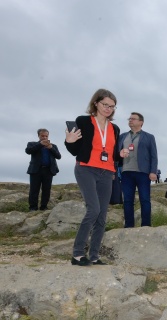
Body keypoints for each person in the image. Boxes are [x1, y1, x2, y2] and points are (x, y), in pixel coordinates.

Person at [64, 88, 121, 266]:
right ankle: (77, 254)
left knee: (102, 216)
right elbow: (75, 150)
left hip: (107, 172)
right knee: (93, 210)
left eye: (112, 106)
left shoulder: (115, 128)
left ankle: (94, 256)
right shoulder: (83, 121)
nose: (108, 109)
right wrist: (69, 141)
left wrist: (121, 154)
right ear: (95, 103)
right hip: (86, 169)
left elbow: (113, 155)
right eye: (105, 104)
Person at [118, 112, 158, 228]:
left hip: (143, 173)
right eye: (129, 119)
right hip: (126, 172)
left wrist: (153, 171)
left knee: (145, 200)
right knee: (127, 201)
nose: (130, 120)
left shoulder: (149, 137)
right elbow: (116, 153)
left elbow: (154, 156)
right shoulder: (122, 136)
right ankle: (129, 226)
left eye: (133, 119)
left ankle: (146, 225)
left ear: (141, 122)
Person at [26, 128, 61, 211]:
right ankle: (33, 208)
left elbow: (58, 156)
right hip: (36, 170)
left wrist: (51, 148)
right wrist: (40, 144)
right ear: (38, 136)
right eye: (42, 136)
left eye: (46, 136)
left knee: (46, 190)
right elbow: (28, 151)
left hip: (48, 170)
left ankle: (44, 207)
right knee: (34, 189)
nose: (44, 137)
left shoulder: (53, 146)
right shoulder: (32, 144)